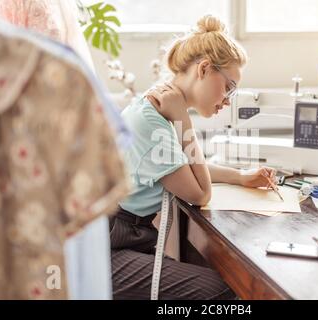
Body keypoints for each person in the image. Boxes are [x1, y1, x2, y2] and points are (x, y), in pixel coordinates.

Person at [111, 14, 278, 300]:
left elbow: (180, 168)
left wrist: (239, 176)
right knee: (222, 289)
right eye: (229, 88)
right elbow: (200, 193)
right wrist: (183, 121)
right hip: (108, 250)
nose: (227, 101)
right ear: (204, 69)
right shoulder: (156, 122)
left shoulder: (154, 110)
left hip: (122, 238)